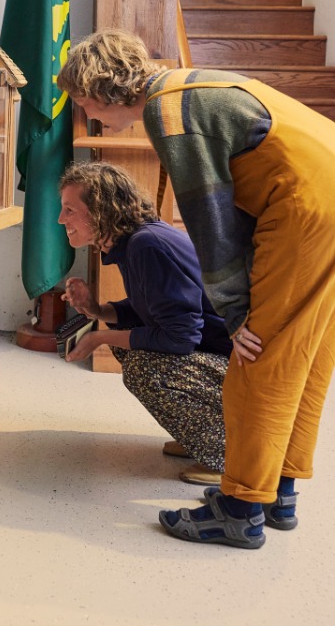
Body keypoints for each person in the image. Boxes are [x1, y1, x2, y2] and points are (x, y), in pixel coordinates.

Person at [57, 28, 335, 550]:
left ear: (103, 85)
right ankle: (278, 492)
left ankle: (241, 509)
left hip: (305, 207)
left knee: (261, 360)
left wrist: (236, 311)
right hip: (322, 196)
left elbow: (209, 217)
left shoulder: (170, 114)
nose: (89, 114)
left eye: (84, 101)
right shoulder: (185, 87)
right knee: (306, 356)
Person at [57, 161, 231, 487]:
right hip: (221, 355)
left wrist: (100, 338)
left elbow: (179, 338)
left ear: (101, 210)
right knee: (134, 353)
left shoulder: (147, 245)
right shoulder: (137, 241)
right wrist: (96, 308)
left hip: (241, 366)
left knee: (145, 368)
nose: (60, 219)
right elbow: (151, 312)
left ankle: (228, 455)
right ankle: (202, 435)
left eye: (69, 210)